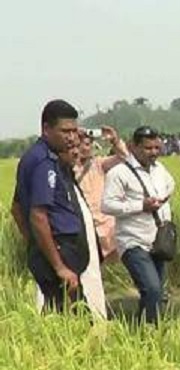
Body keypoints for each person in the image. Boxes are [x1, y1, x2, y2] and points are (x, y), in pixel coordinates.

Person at [11, 100, 106, 316]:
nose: (72, 137)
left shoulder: (45, 158)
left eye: (74, 131)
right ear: (46, 129)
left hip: (55, 249)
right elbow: (38, 215)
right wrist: (58, 264)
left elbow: (16, 207)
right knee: (73, 318)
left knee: (59, 314)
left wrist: (35, 243)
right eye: (65, 131)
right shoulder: (44, 162)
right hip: (59, 251)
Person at [102, 126, 176, 324]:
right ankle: (148, 332)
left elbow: (171, 185)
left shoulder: (160, 169)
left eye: (156, 148)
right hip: (133, 240)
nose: (153, 153)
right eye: (147, 148)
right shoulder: (119, 173)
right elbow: (107, 205)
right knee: (151, 288)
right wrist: (139, 205)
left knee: (158, 292)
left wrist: (163, 201)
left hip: (158, 240)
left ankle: (148, 331)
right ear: (133, 147)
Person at [75, 126, 127, 262]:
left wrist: (115, 140)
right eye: (82, 144)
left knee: (114, 266)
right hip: (83, 226)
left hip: (106, 225)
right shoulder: (68, 168)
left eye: (89, 144)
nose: (87, 148)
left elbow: (124, 157)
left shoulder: (98, 164)